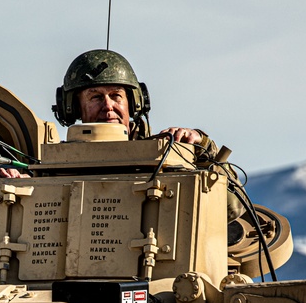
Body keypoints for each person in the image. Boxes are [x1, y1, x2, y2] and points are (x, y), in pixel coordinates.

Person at [53, 49, 243, 220]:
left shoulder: (167, 157)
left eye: (116, 95)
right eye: (95, 97)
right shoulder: (55, 164)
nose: (108, 106)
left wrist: (203, 150)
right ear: (73, 108)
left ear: (135, 103)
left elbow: (233, 208)